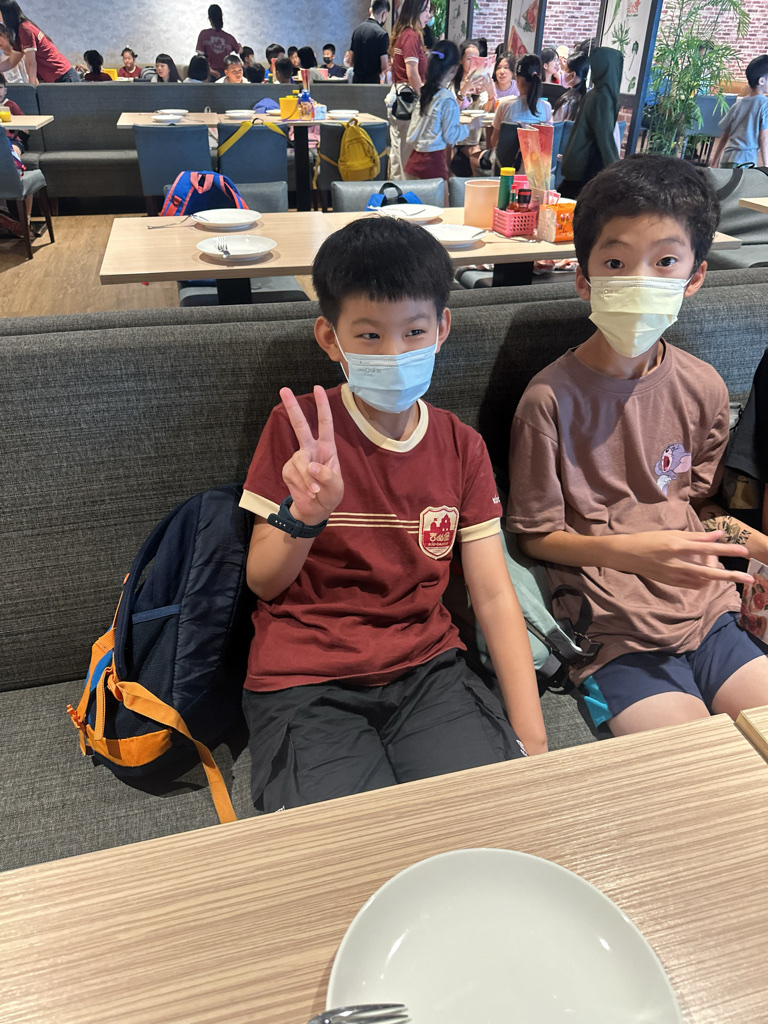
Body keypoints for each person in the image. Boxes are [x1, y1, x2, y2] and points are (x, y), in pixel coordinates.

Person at [239, 215, 544, 813]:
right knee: (354, 849)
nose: (395, 352)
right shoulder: (300, 430)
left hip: (428, 671)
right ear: (331, 339)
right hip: (305, 678)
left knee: (483, 821)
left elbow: (492, 595)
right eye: (370, 335)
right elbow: (263, 581)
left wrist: (532, 739)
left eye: (413, 331)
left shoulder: (461, 446)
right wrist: (304, 516)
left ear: (441, 328)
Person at [507, 154, 768, 738]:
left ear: (694, 277)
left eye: (666, 261)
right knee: (694, 766)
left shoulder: (703, 386)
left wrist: (755, 546)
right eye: (616, 262)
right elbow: (534, 535)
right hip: (613, 632)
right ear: (584, 278)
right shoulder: (547, 400)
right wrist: (633, 553)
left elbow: (700, 509)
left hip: (709, 610)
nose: (641, 279)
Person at [406, 41, 482, 186]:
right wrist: (471, 126)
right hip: (432, 161)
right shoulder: (447, 98)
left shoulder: (426, 92)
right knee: (442, 200)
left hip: (414, 159)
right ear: (454, 69)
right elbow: (450, 135)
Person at [559, 46, 622, 199]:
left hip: (577, 163)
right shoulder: (603, 97)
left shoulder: (593, 94)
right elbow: (605, 138)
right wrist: (618, 172)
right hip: (586, 169)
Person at [387, 0, 431, 179]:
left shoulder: (403, 33)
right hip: (408, 98)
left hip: (399, 96)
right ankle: (408, 193)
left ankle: (395, 192)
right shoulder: (411, 36)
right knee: (407, 157)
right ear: (416, 10)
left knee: (398, 155)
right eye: (426, 10)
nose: (429, 15)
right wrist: (425, 99)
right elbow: (412, 74)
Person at [710, 54, 768, 169]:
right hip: (746, 160)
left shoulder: (737, 105)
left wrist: (714, 161)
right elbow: (764, 136)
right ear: (761, 81)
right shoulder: (765, 104)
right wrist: (766, 165)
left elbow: (725, 135)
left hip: (727, 158)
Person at [0, 1, 79, 82]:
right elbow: (11, 62)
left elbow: (31, 62)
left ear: (5, 13)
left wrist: (31, 86)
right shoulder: (20, 32)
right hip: (56, 78)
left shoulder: (25, 29)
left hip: (64, 76)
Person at [488, 53, 552, 150]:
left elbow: (494, 142)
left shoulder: (504, 105)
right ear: (539, 77)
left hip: (506, 159)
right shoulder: (546, 107)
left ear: (517, 78)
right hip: (534, 158)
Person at [450, 40, 492, 176]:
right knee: (447, 156)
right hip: (453, 136)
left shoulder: (481, 83)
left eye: (476, 59)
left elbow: (486, 109)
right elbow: (452, 109)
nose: (473, 63)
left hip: (472, 137)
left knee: (476, 155)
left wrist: (491, 95)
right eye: (469, 59)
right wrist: (463, 91)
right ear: (461, 60)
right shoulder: (452, 83)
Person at [347, 0, 390, 85]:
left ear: (371, 10)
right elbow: (384, 66)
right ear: (384, 14)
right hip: (372, 82)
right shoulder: (382, 34)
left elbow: (350, 60)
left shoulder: (357, 30)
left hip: (356, 82)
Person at [196, 3, 239, 79]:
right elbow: (239, 51)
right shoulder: (229, 37)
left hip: (208, 74)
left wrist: (210, 70)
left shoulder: (204, 34)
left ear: (209, 18)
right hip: (226, 75)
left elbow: (200, 57)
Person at [552, 50, 589, 123]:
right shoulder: (589, 99)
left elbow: (556, 125)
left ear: (572, 75)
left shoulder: (568, 101)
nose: (562, 73)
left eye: (565, 69)